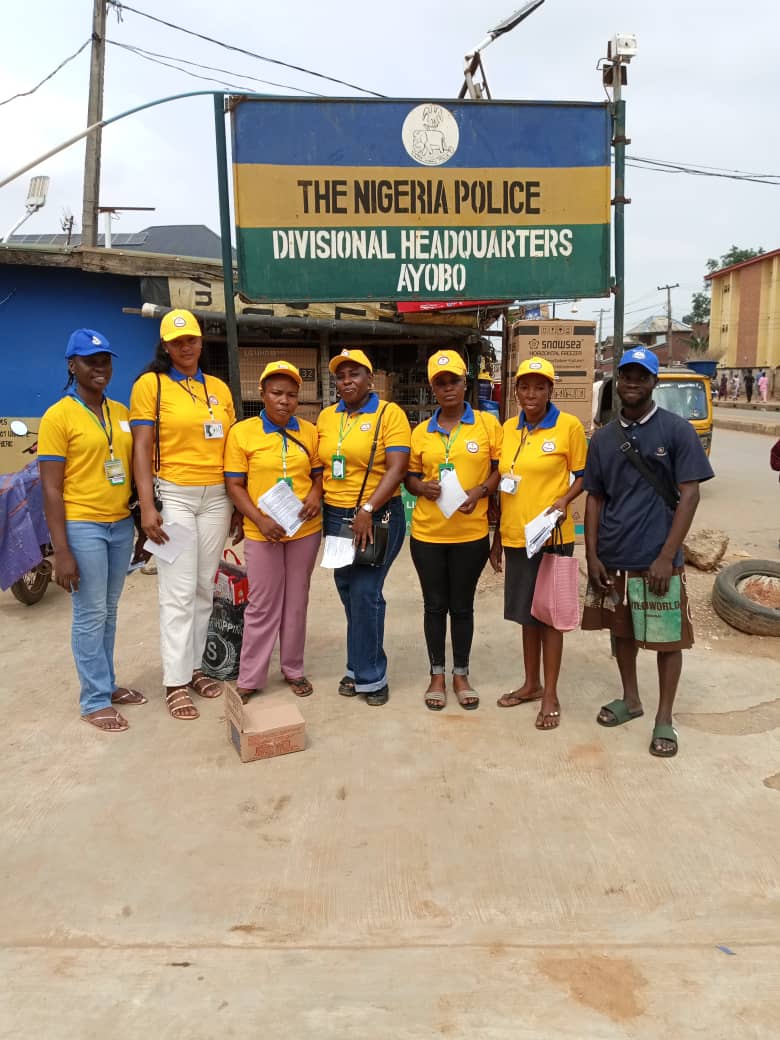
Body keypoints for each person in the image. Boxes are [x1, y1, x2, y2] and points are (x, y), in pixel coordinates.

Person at [582, 347, 714, 758]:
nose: (633, 383)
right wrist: (591, 554)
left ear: (654, 382)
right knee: (620, 631)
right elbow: (594, 499)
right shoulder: (603, 438)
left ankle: (664, 718)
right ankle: (631, 699)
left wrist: (667, 555)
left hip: (659, 557)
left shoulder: (677, 431)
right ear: (617, 382)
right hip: (614, 553)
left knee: (665, 640)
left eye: (642, 376)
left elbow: (689, 496)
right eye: (626, 376)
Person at [130, 309, 240, 721]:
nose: (186, 347)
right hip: (174, 494)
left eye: (191, 339)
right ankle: (174, 682)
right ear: (165, 346)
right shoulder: (150, 386)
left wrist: (235, 503)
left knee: (202, 587)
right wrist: (147, 506)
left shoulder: (218, 388)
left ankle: (194, 668)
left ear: (200, 342)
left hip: (217, 498)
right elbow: (142, 447)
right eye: (177, 342)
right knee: (176, 592)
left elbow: (230, 449)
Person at [38, 329, 144, 732]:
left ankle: (108, 684)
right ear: (72, 365)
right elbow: (50, 487)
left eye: (105, 361)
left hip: (119, 523)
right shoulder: (58, 416)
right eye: (89, 361)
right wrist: (60, 550)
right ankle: (94, 700)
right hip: (82, 524)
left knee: (109, 610)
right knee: (89, 613)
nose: (100, 368)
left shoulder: (119, 411)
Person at [490, 358, 587, 730]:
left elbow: (582, 474)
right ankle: (531, 684)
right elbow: (504, 481)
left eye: (539, 387)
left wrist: (564, 501)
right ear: (516, 391)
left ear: (551, 390)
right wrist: (498, 536)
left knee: (551, 617)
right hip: (517, 537)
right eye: (524, 387)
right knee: (526, 616)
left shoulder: (568, 427)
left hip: (552, 537)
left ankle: (551, 694)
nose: (531, 394)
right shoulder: (508, 429)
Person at [405, 351, 502, 711]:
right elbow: (410, 477)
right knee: (434, 605)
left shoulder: (488, 426)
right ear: (433, 388)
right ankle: (437, 675)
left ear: (466, 383)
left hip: (470, 535)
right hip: (428, 535)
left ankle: (461, 673)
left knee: (462, 606)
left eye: (454, 381)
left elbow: (498, 469)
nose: (447, 388)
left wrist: (481, 492)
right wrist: (420, 488)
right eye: (440, 383)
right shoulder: (420, 433)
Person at [317, 348, 411, 706]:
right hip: (336, 516)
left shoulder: (389, 414)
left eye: (354, 374)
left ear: (371, 379)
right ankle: (357, 666)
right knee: (347, 589)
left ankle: (372, 677)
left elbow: (397, 467)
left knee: (366, 592)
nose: (346, 381)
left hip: (377, 516)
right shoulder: (327, 417)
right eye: (341, 376)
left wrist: (369, 507)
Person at [224, 361, 323, 700]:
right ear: (262, 394)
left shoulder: (309, 432)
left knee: (297, 601)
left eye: (292, 395)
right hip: (261, 530)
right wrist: (259, 519)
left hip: (304, 529)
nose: (284, 400)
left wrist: (313, 495)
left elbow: (319, 473)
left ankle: (293, 669)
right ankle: (250, 677)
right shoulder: (242, 432)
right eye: (277, 393)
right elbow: (235, 484)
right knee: (262, 604)